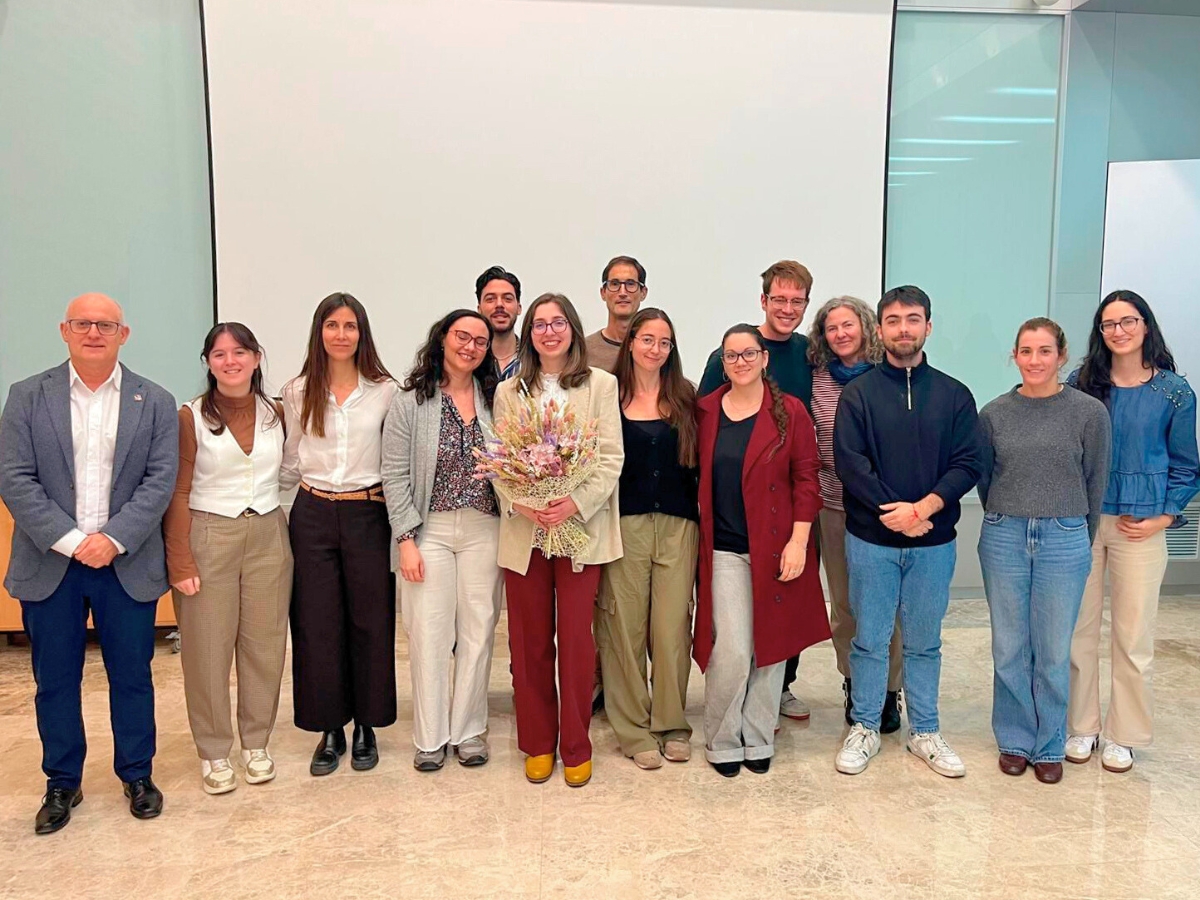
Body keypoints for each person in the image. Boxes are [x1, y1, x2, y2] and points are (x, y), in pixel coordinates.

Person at [0, 293, 177, 833]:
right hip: (52, 561)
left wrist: (113, 539)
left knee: (132, 676)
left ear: (124, 334)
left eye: (106, 324)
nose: (94, 332)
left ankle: (137, 774)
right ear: (64, 331)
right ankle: (62, 781)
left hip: (125, 561)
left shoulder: (156, 400)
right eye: (83, 323)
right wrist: (74, 540)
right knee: (54, 679)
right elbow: (14, 477)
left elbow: (160, 480)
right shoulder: (27, 396)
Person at [832, 285, 984, 778]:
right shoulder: (858, 394)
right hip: (871, 540)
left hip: (933, 543)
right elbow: (850, 462)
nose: (903, 329)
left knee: (923, 642)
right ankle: (865, 727)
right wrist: (894, 512)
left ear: (928, 327)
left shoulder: (955, 395)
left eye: (913, 319)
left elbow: (969, 462)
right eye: (893, 320)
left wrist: (924, 508)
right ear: (880, 330)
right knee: (869, 640)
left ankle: (926, 731)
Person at [1065, 290, 1198, 773]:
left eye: (1127, 321)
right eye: (1109, 324)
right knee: (1076, 632)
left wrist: (1166, 516)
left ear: (1145, 325)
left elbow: (1186, 464)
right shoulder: (1080, 386)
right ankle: (1081, 726)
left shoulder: (1174, 392)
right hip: (1082, 523)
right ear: (1099, 332)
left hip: (1141, 528)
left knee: (1133, 635)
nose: (1118, 331)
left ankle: (1125, 735)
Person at [494, 293, 623, 788]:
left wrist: (574, 504)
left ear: (572, 329)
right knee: (528, 643)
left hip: (580, 532)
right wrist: (524, 502)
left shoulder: (601, 384)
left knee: (575, 642)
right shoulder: (509, 391)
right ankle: (537, 743)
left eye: (558, 323)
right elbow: (499, 460)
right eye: (540, 324)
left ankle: (575, 745)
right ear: (529, 334)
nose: (549, 332)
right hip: (525, 532)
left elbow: (610, 458)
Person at [977, 318, 1111, 785]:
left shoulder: (1089, 413)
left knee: (1053, 649)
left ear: (1062, 355)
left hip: (1064, 534)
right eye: (1026, 351)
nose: (1035, 360)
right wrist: (1009, 515)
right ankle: (1015, 739)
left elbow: (1095, 480)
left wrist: (1078, 533)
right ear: (1014, 356)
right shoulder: (994, 414)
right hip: (1004, 533)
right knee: (1009, 645)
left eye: (1044, 351)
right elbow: (985, 478)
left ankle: (1050, 742)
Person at [163, 323, 292, 794]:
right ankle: (214, 750)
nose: (230, 361)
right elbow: (177, 492)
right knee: (207, 650)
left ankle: (256, 743)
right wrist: (180, 560)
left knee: (265, 646)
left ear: (256, 358)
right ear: (208, 363)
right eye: (219, 354)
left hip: (268, 535)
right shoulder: (190, 416)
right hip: (208, 534)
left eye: (240, 352)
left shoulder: (278, 412)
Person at [693, 324, 826, 777]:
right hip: (725, 548)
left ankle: (759, 734)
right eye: (731, 355)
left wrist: (799, 542)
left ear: (764, 358)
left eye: (749, 353)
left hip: (777, 546)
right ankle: (722, 739)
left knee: (773, 647)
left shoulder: (791, 411)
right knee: (732, 649)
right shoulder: (706, 411)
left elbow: (807, 478)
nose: (741, 362)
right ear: (722, 363)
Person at [281, 292, 399, 776]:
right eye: (332, 325)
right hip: (312, 512)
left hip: (368, 513)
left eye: (350, 326)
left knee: (371, 622)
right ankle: (330, 728)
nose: (341, 334)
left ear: (362, 333)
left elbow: (394, 460)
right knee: (317, 624)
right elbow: (291, 457)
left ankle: (367, 725)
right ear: (319, 332)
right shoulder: (297, 390)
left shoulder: (386, 391)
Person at [382, 310, 503, 772]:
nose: (470, 347)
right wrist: (405, 539)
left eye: (480, 341)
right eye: (461, 336)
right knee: (429, 633)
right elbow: (393, 474)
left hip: (484, 528)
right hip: (427, 529)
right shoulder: (410, 401)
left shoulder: (495, 399)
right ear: (442, 340)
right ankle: (431, 737)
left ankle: (469, 731)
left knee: (478, 631)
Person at [699, 260, 815, 723]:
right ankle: (728, 720)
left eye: (796, 301)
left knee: (780, 622)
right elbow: (704, 431)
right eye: (779, 299)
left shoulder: (810, 354)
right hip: (732, 523)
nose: (787, 308)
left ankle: (776, 694)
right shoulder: (723, 365)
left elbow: (806, 464)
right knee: (734, 638)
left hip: (785, 513)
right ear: (763, 301)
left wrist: (800, 535)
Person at [596, 308, 699, 770]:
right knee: (624, 629)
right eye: (648, 339)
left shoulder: (686, 397)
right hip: (624, 526)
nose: (656, 349)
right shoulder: (606, 395)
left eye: (665, 342)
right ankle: (634, 729)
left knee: (672, 629)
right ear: (631, 342)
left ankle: (672, 725)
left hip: (679, 527)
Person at [806, 297, 901, 732]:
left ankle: (889, 690)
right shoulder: (818, 380)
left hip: (883, 508)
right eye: (831, 328)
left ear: (865, 327)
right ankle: (854, 684)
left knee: (886, 605)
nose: (840, 334)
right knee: (844, 605)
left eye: (848, 325)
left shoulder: (889, 376)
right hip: (833, 506)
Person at [585, 255, 648, 374]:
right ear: (603, 292)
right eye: (614, 284)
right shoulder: (583, 351)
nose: (622, 292)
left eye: (630, 284)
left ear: (643, 293)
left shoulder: (654, 351)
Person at [476, 266, 523, 381]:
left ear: (519, 308)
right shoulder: (470, 359)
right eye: (490, 299)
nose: (499, 305)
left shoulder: (536, 360)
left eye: (507, 298)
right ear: (479, 309)